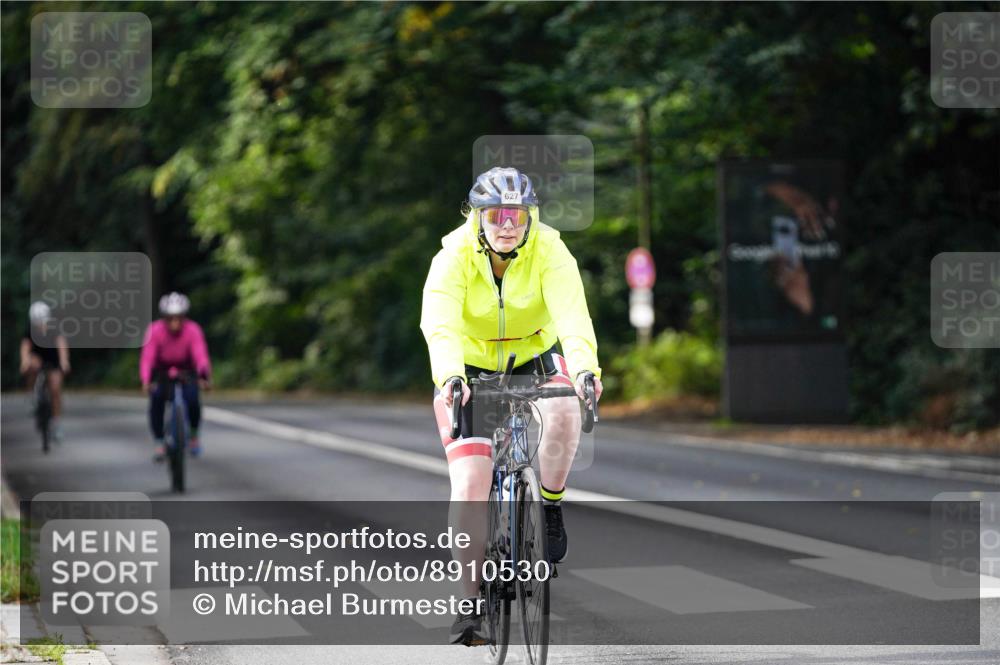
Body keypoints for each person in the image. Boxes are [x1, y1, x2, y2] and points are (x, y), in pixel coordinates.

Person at [420, 166, 603, 645]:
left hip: (534, 358)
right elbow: (439, 324)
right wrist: (451, 378)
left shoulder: (550, 249)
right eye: (497, 215)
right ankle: (469, 602)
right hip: (472, 368)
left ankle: (551, 505)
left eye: (518, 216)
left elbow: (573, 316)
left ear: (530, 217)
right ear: (477, 216)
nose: (507, 225)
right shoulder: (452, 256)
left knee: (565, 414)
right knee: (471, 481)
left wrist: (586, 370)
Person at [140, 292, 212, 461]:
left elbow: (201, 355)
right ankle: (159, 441)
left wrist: (204, 375)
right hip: (162, 373)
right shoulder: (155, 330)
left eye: (178, 318)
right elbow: (147, 358)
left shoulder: (193, 330)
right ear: (164, 317)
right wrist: (146, 380)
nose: (174, 323)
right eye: (170, 318)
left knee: (193, 400)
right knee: (156, 399)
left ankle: (193, 436)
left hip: (186, 372)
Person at [20, 301, 70, 440]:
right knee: (31, 365)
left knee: (55, 389)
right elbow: (25, 346)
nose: (40, 324)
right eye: (37, 322)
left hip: (53, 359)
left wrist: (64, 361)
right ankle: (31, 395)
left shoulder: (54, 328)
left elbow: (61, 344)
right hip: (37, 357)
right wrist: (25, 361)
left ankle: (56, 422)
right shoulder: (30, 329)